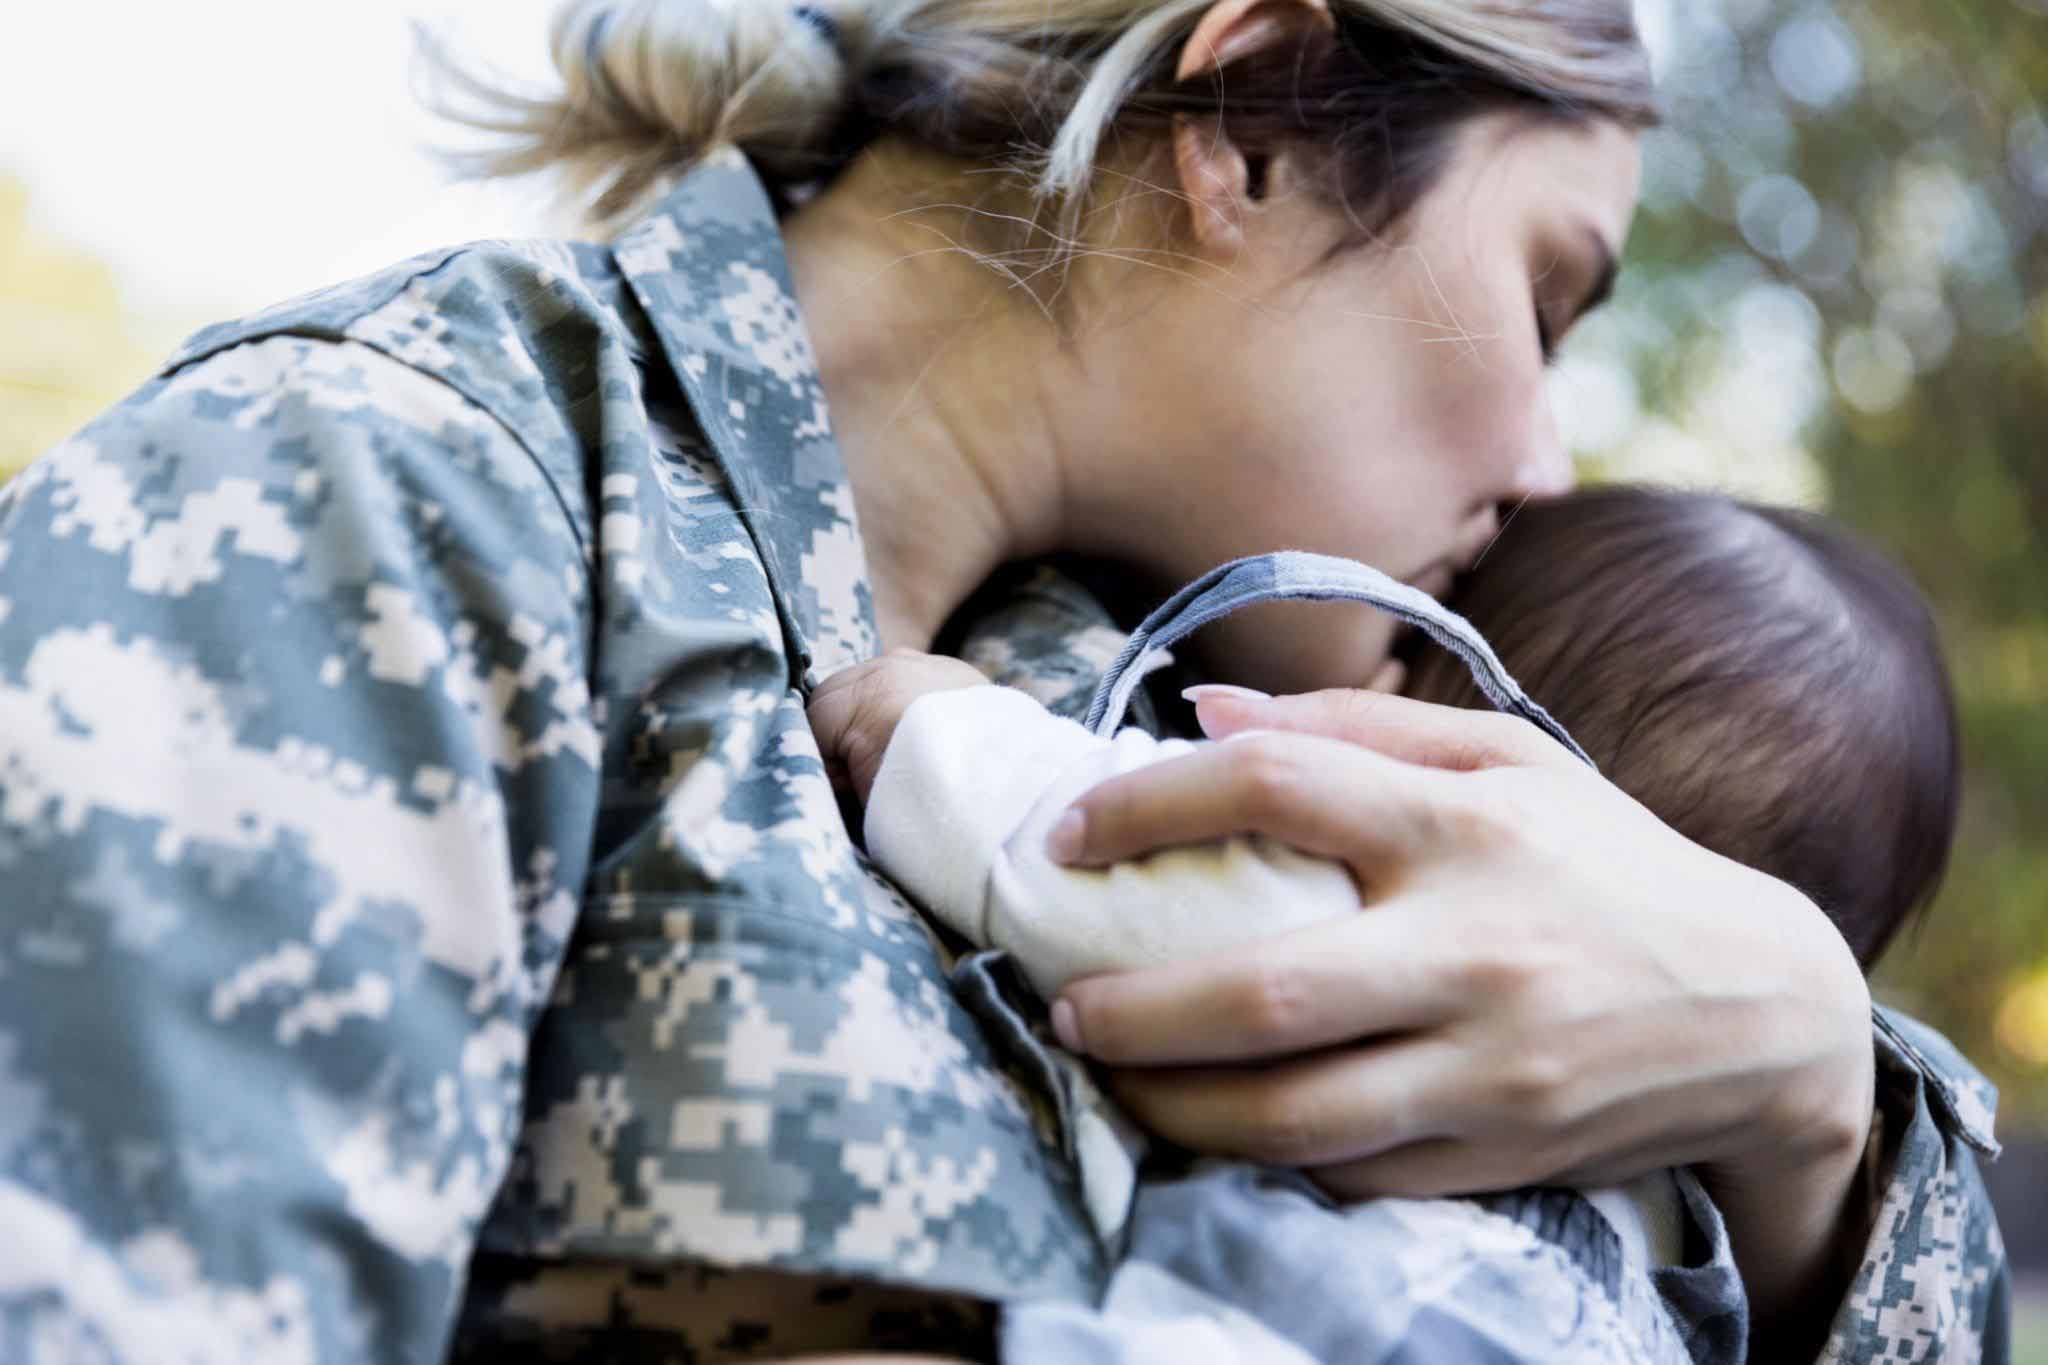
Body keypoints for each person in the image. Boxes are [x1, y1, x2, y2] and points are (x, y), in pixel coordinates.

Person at [0, 0, 2003, 1361]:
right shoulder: (375, 506)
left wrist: (1811, 1096)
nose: (1553, 466)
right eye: (1545, 292)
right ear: (1255, 127)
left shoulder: (1183, 694)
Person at [809, 483, 1969, 1358]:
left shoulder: (1379, 920)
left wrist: (936, 731)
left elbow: (1094, 853)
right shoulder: (1677, 1227)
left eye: (1408, 640)